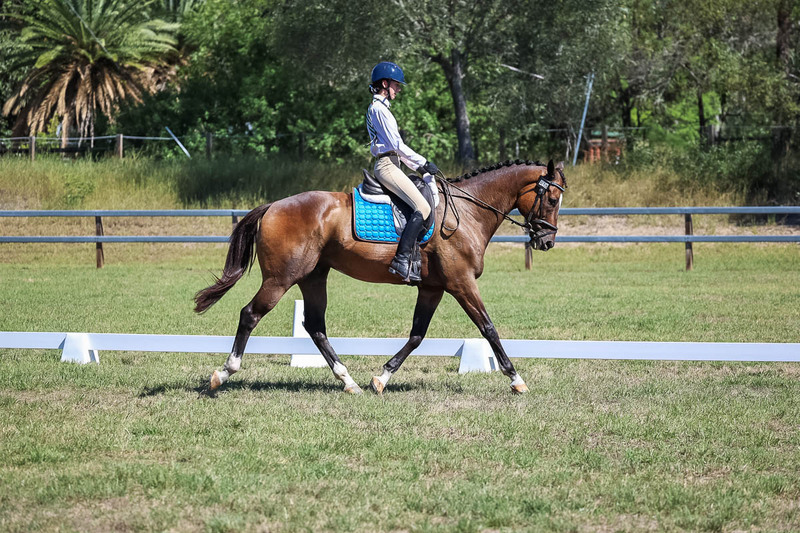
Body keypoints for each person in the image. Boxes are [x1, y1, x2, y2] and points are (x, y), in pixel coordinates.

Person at [365, 61, 439, 282]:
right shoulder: (379, 109)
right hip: (387, 165)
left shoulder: (382, 109)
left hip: (393, 163)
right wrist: (422, 163)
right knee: (423, 207)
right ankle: (402, 259)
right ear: (385, 84)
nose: (399, 89)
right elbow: (397, 145)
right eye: (396, 85)